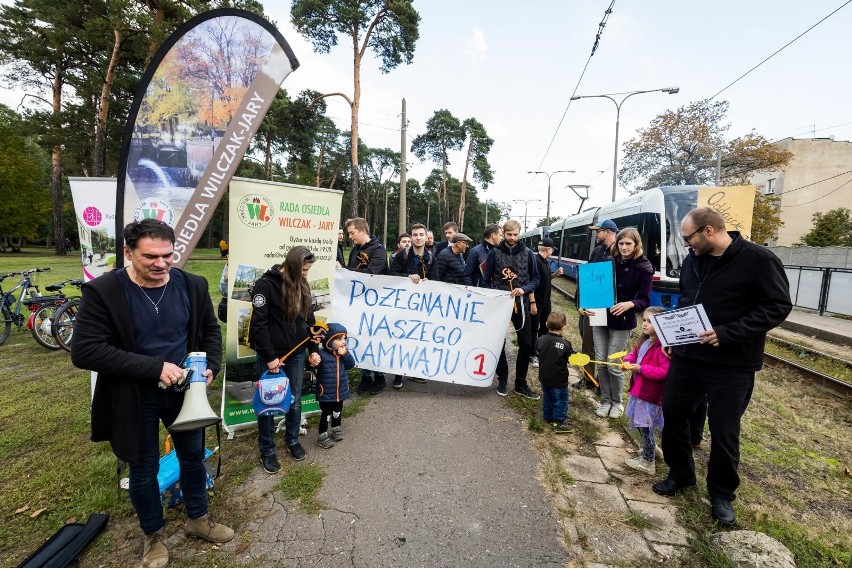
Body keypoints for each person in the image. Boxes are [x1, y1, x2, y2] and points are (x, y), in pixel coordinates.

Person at [71, 219, 233, 568]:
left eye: (168, 255)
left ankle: (198, 519)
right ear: (128, 253)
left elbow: (209, 331)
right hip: (133, 397)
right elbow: (84, 351)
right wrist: (154, 367)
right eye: (150, 257)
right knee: (143, 470)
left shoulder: (192, 285)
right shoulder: (104, 292)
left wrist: (212, 367)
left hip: (185, 394)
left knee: (192, 457)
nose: (161, 264)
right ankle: (153, 536)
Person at [653, 207, 792, 527]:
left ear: (710, 231)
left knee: (724, 430)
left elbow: (778, 306)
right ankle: (681, 474)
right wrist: (674, 334)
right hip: (688, 357)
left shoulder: (759, 260)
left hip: (732, 363)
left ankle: (721, 495)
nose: (686, 244)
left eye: (689, 237)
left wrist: (729, 333)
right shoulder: (693, 260)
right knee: (673, 413)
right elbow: (689, 301)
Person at [248, 246, 322, 470]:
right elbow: (258, 325)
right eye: (304, 270)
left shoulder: (302, 284)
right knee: (270, 404)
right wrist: (270, 358)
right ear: (292, 265)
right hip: (271, 356)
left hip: (297, 353)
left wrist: (314, 349)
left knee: (295, 401)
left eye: (309, 270)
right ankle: (267, 450)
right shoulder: (265, 285)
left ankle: (292, 440)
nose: (307, 274)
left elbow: (308, 321)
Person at [589, 227, 653, 419]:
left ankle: (617, 402)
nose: (624, 247)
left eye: (628, 244)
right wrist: (586, 305)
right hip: (600, 316)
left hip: (623, 321)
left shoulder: (644, 268)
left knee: (613, 364)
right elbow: (594, 288)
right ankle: (605, 401)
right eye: (621, 243)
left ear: (636, 245)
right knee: (600, 362)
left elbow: (645, 300)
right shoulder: (609, 262)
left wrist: (630, 304)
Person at [482, 219, 541, 399]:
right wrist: (494, 295)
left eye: (516, 234)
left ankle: (520, 384)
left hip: (521, 305)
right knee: (499, 342)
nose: (512, 238)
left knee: (526, 344)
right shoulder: (494, 253)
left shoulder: (529, 253)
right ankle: (502, 378)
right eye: (509, 234)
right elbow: (486, 280)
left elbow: (536, 279)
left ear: (519, 233)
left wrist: (524, 290)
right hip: (500, 305)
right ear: (503, 234)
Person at [622, 306, 669, 475]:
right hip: (639, 391)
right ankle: (653, 449)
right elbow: (633, 355)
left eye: (650, 321)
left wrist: (640, 369)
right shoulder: (644, 340)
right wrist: (627, 361)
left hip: (650, 394)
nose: (644, 324)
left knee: (644, 425)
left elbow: (664, 372)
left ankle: (647, 461)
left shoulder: (663, 348)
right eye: (644, 320)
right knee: (643, 425)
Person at [388, 223, 435, 388]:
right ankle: (398, 374)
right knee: (401, 337)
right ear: (411, 237)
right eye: (415, 235)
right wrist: (407, 276)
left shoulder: (431, 256)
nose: (418, 238)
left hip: (423, 305)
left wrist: (430, 281)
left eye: (421, 234)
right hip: (404, 304)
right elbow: (391, 275)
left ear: (426, 237)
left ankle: (415, 371)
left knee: (419, 338)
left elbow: (436, 278)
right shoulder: (402, 256)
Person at [345, 217, 389, 395]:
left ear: (363, 231)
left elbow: (371, 274)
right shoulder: (355, 250)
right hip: (358, 303)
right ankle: (365, 376)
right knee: (360, 338)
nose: (350, 237)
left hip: (375, 304)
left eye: (352, 233)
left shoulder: (378, 250)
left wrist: (346, 271)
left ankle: (379, 376)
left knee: (374, 340)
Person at [574, 219, 618, 390]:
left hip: (611, 307)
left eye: (598, 231)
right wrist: (581, 302)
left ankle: (603, 382)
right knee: (588, 342)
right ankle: (589, 378)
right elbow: (588, 278)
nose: (596, 235)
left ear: (607, 232)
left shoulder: (619, 252)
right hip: (594, 306)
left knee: (606, 346)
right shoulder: (596, 252)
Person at [315, 323, 356, 449]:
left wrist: (345, 354)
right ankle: (322, 435)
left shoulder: (343, 354)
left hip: (340, 391)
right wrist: (311, 360)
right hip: (326, 392)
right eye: (339, 339)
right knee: (326, 413)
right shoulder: (321, 354)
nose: (343, 341)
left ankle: (336, 428)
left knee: (337, 411)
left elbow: (350, 365)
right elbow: (310, 365)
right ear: (328, 340)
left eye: (344, 338)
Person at [537, 310, 575, 433]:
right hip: (559, 379)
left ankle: (547, 417)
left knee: (547, 397)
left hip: (544, 377)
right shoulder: (565, 344)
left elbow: (537, 350)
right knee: (560, 400)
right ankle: (558, 422)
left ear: (546, 324)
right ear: (563, 327)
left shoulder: (541, 339)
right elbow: (571, 357)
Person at [530, 237, 564, 368]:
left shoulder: (545, 262)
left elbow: (546, 278)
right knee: (534, 328)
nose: (552, 252)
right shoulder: (536, 262)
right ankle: (532, 354)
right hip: (537, 302)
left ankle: (540, 350)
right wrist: (532, 302)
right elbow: (532, 282)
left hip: (545, 302)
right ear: (549, 249)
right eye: (552, 249)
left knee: (544, 327)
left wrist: (555, 274)